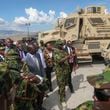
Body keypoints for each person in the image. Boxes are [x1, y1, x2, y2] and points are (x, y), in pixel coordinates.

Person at [24, 44, 46, 110]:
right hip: (33, 82)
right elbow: (27, 72)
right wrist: (35, 78)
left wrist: (44, 76)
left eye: (36, 48)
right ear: (29, 50)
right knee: (34, 96)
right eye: (34, 48)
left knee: (41, 95)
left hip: (41, 79)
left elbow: (41, 66)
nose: (36, 49)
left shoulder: (38, 54)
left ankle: (40, 106)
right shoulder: (25, 59)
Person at [54, 40, 71, 107]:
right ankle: (62, 100)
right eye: (61, 44)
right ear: (58, 45)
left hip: (65, 71)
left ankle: (61, 93)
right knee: (62, 86)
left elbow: (66, 58)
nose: (62, 45)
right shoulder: (55, 52)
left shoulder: (63, 51)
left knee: (63, 85)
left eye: (62, 44)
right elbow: (60, 61)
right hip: (60, 72)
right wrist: (67, 57)